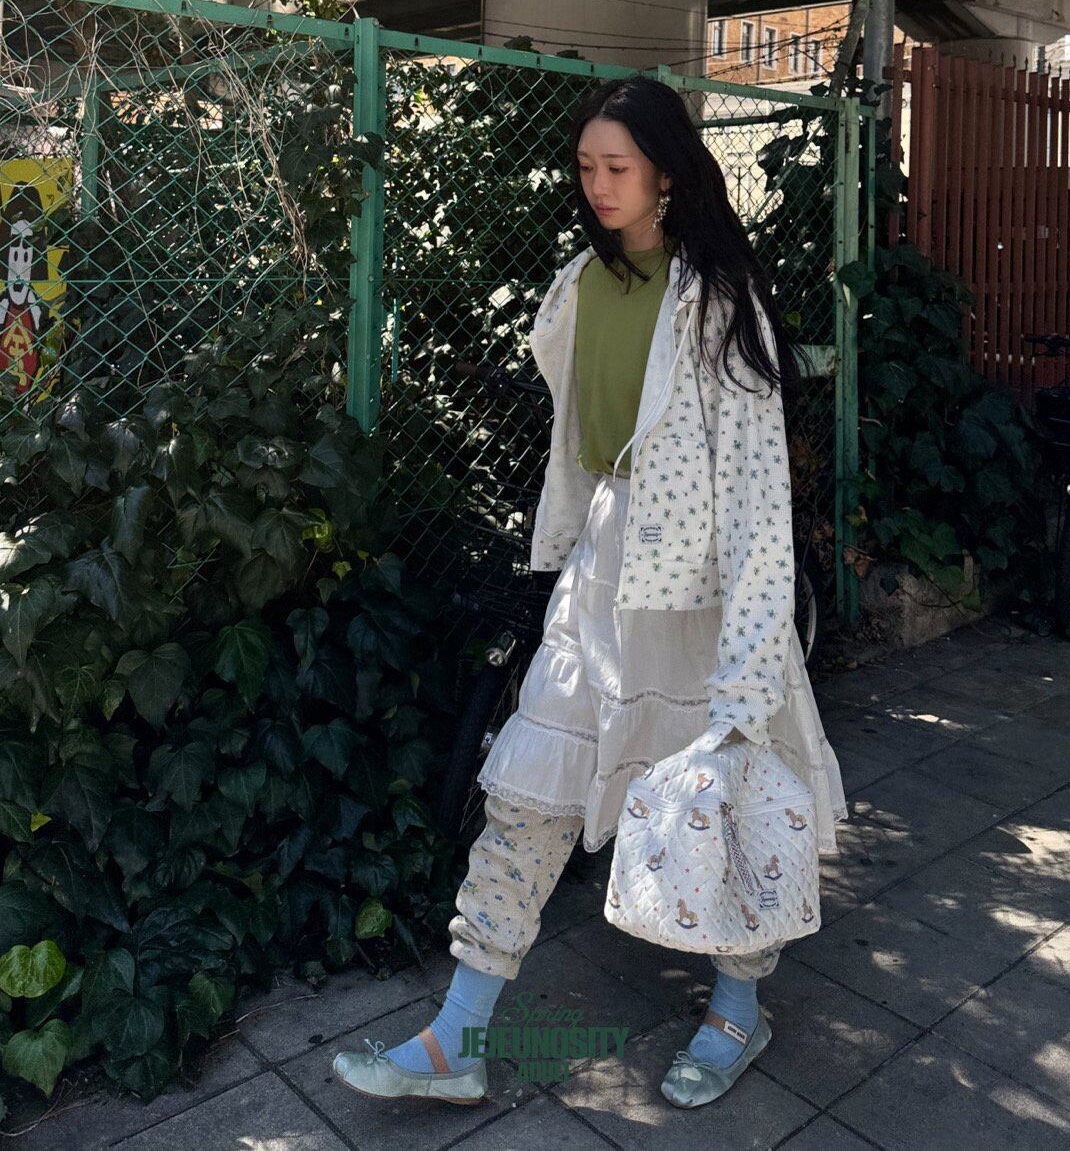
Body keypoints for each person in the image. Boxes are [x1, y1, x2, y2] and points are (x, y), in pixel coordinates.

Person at [333, 75, 846, 1111]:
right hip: (606, 566)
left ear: (667, 173)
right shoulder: (581, 284)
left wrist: (750, 663)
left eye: (617, 166)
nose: (597, 185)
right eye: (584, 167)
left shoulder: (717, 300)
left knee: (727, 796)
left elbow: (758, 496)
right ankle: (457, 1034)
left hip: (704, 588)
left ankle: (735, 1009)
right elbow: (586, 445)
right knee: (529, 794)